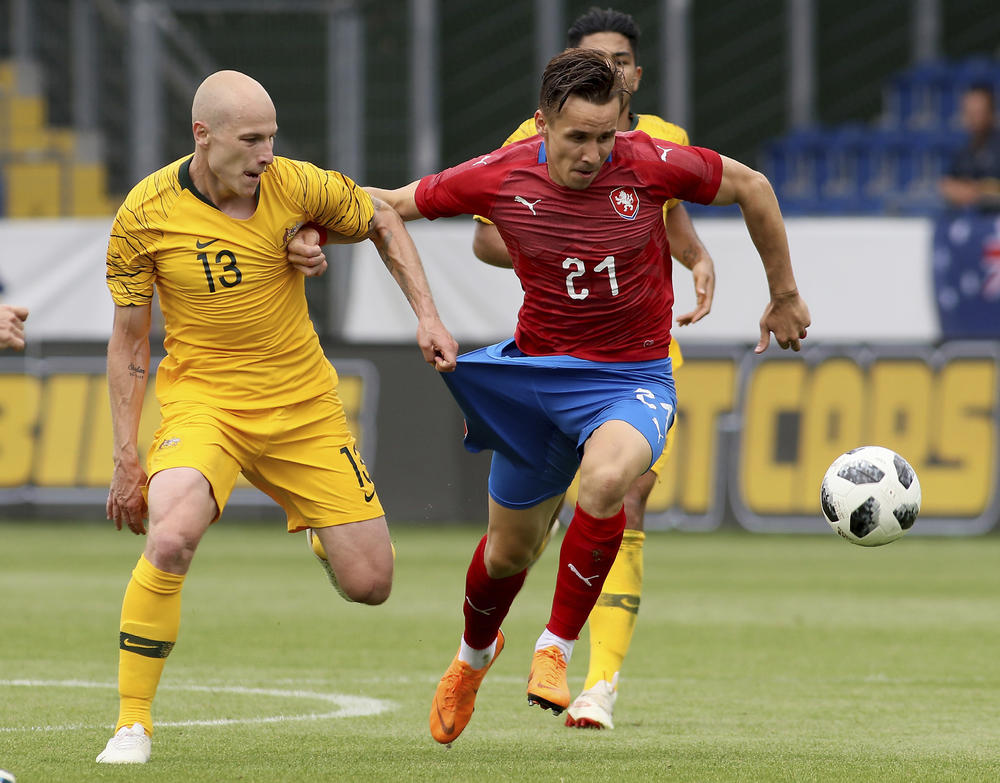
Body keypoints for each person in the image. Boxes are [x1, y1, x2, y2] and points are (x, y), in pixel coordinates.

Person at [365, 48, 810, 745]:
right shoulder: (499, 174)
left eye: (606, 136)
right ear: (542, 123)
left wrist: (783, 293)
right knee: (507, 554)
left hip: (632, 378)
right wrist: (301, 223)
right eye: (577, 137)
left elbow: (752, 186)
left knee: (606, 483)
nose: (594, 154)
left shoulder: (651, 163)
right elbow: (386, 206)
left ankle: (557, 647)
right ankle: (472, 657)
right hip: (536, 383)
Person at [96, 69, 457, 765]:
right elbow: (130, 341)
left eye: (273, 137)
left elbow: (382, 216)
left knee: (371, 584)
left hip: (303, 407)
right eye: (251, 140)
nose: (267, 154)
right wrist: (125, 456)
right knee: (170, 535)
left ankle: (324, 534)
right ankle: (132, 724)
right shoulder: (145, 214)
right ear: (203, 136)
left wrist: (428, 316)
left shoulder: (297, 186)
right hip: (207, 405)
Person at [471, 6, 715, 730]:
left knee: (621, 493)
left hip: (637, 359)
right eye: (596, 59)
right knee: (525, 536)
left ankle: (597, 683)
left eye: (620, 60)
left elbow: (672, 222)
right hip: (553, 356)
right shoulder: (528, 139)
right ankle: (490, 640)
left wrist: (697, 258)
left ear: (637, 73)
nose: (611, 70)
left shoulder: (664, 141)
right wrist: (560, 243)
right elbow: (486, 238)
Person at [940, 83, 1000, 211]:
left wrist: (978, 191)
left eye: (977, 112)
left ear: (991, 113)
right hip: (969, 217)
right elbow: (947, 185)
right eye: (968, 112)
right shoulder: (963, 149)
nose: (971, 118)